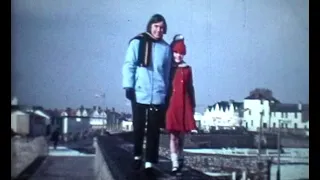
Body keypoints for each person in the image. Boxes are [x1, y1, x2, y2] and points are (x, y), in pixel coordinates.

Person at [122, 14, 172, 177]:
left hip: (157, 94)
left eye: (162, 27)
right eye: (156, 26)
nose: (159, 30)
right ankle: (137, 155)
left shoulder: (166, 48)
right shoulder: (138, 42)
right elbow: (129, 64)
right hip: (139, 91)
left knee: (153, 130)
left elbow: (166, 72)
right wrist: (128, 86)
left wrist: (166, 92)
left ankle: (149, 162)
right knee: (138, 126)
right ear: (150, 26)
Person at [165, 34, 196, 174]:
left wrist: (193, 105)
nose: (178, 55)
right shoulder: (168, 68)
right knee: (173, 135)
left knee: (182, 136)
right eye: (176, 52)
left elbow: (190, 88)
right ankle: (174, 163)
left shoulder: (187, 69)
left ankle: (181, 155)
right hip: (171, 105)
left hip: (184, 104)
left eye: (181, 53)